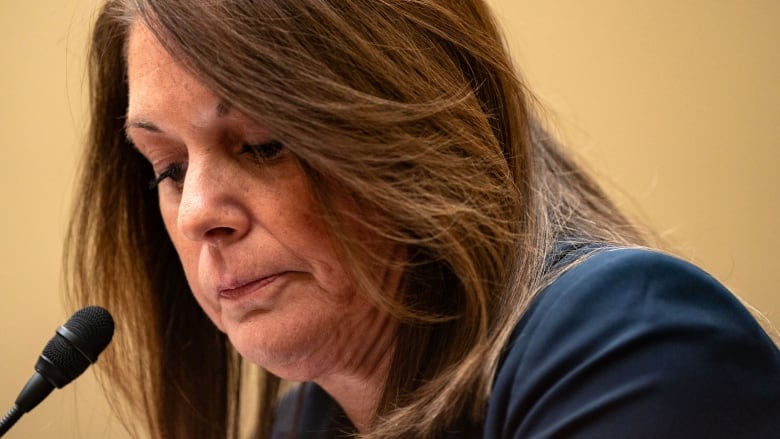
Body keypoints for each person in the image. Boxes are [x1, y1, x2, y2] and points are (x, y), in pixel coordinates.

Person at [65, 0, 780, 438]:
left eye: (261, 143)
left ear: (410, 134)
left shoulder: (634, 346)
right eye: (169, 168)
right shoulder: (306, 424)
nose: (196, 216)